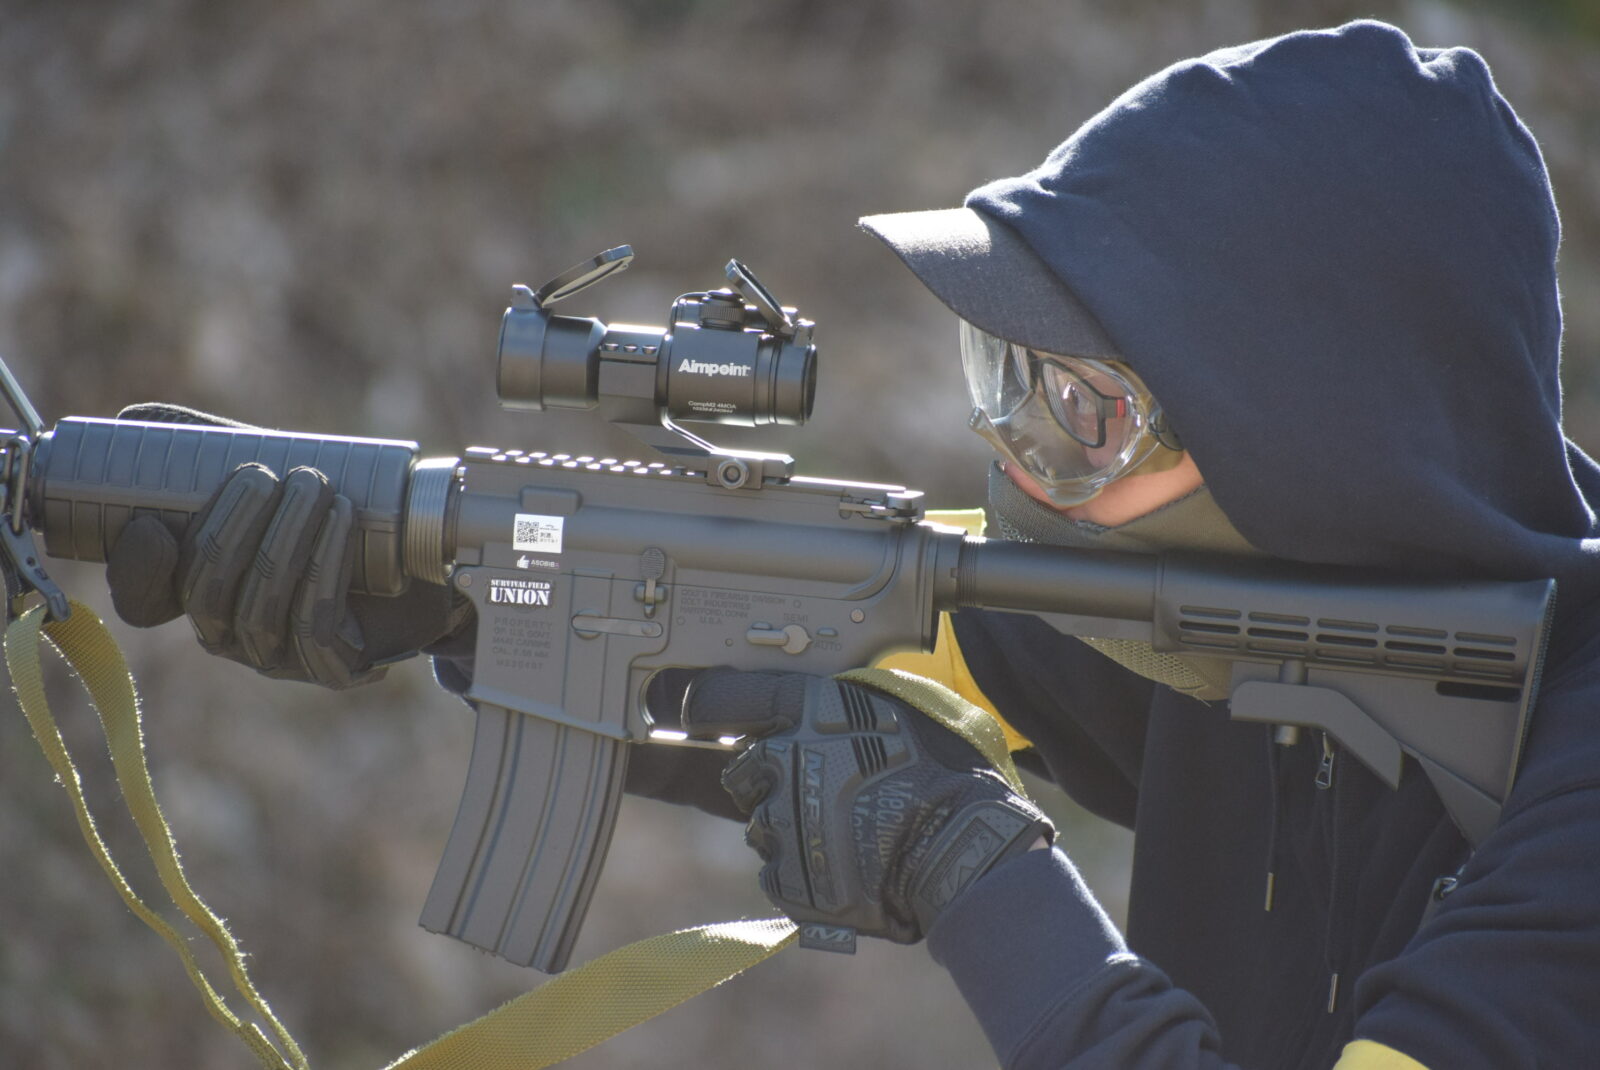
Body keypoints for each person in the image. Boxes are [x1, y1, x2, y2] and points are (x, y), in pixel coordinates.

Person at [106, 20, 1600, 1070]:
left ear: (1313, 447)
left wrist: (973, 869)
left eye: (1081, 413)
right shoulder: (1240, 611)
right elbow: (828, 658)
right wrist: (446, 595)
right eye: (1002, 382)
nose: (1013, 459)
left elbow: (933, 802)